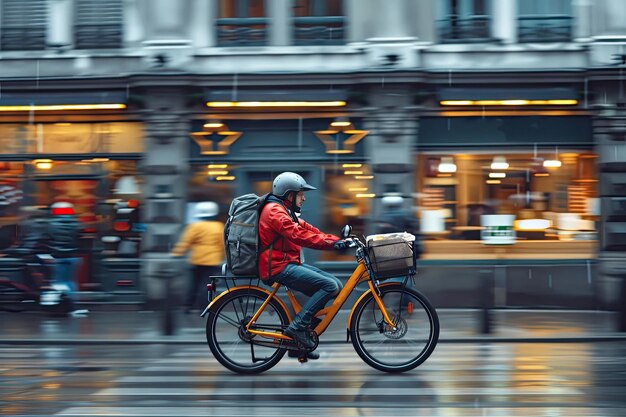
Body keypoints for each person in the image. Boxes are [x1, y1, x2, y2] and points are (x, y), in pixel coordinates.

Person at [259, 172, 347, 360]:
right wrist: (331, 244)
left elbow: (308, 230)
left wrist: (337, 240)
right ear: (290, 195)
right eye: (301, 194)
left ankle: (298, 343)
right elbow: (298, 235)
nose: (304, 198)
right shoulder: (274, 211)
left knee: (336, 284)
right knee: (329, 286)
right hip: (278, 267)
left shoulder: (284, 211)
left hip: (288, 263)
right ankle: (298, 328)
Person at [171, 201, 224, 313]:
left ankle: (187, 306)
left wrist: (177, 253)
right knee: (208, 286)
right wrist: (223, 257)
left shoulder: (195, 226)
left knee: (193, 285)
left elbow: (186, 241)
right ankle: (206, 307)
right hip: (212, 261)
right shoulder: (218, 226)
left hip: (196, 260)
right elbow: (222, 244)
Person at [46, 201, 88, 316]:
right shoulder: (77, 223)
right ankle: (71, 306)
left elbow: (47, 238)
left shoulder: (50, 224)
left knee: (58, 282)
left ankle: (59, 306)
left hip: (57, 257)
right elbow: (80, 237)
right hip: (72, 256)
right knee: (70, 282)